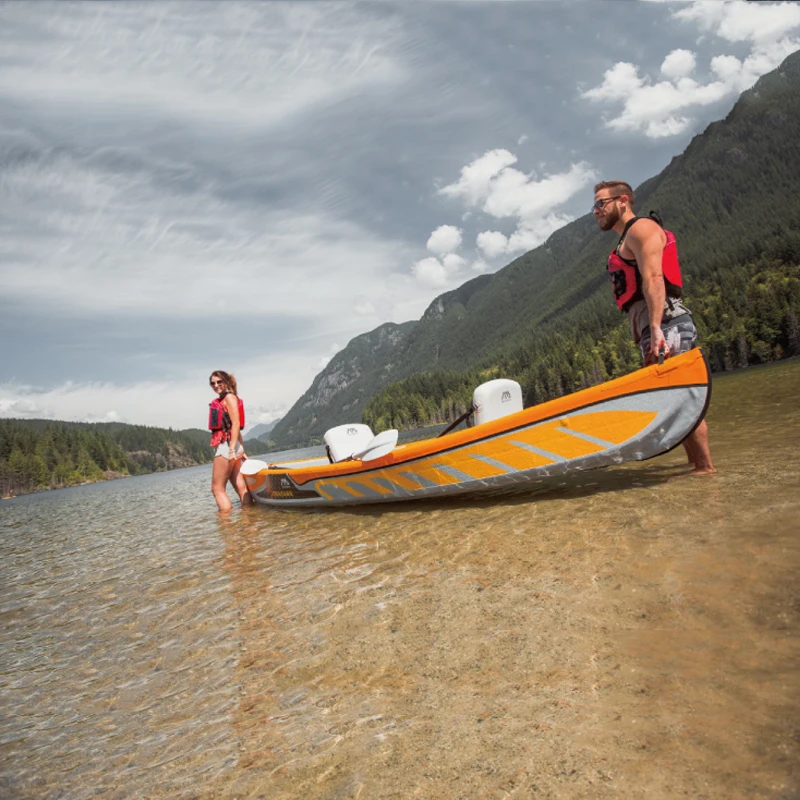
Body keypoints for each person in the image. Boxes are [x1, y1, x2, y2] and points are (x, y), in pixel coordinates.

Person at [593, 180, 716, 474]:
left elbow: (654, 278)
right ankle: (696, 469)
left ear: (622, 201)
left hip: (668, 324)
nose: (596, 211)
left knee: (682, 400)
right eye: (594, 206)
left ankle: (705, 472)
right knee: (675, 401)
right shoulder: (625, 239)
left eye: (601, 204)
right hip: (656, 328)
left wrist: (658, 327)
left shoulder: (642, 229)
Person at [208, 370, 251, 510]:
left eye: (219, 381)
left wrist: (233, 449)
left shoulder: (229, 398)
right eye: (212, 383)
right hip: (233, 446)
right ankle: (249, 518)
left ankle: (226, 527)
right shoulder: (227, 398)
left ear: (226, 382)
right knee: (240, 485)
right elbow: (234, 426)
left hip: (227, 447)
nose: (216, 385)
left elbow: (236, 424)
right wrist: (241, 449)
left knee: (217, 489)